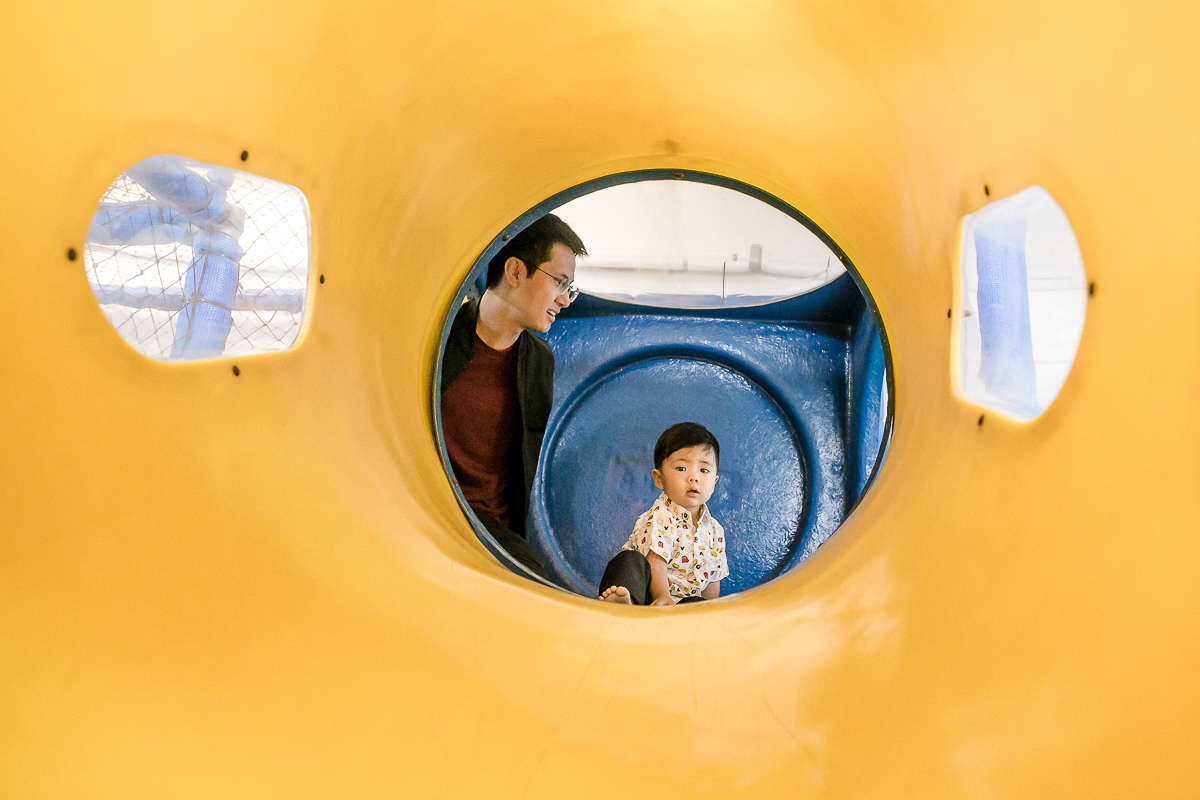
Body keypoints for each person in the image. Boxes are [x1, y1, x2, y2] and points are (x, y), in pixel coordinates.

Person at [440, 214, 586, 579]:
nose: (565, 300)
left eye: (570, 288)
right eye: (560, 282)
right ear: (516, 271)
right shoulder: (439, 338)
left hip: (491, 532)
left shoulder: (538, 360)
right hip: (429, 513)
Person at [598, 422, 730, 605]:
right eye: (681, 468)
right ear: (659, 479)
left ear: (715, 482)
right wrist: (662, 597)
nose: (694, 477)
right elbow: (656, 562)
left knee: (696, 603)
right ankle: (624, 603)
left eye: (704, 470)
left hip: (679, 609)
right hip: (648, 598)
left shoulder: (715, 531)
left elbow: (713, 580)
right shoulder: (661, 515)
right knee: (629, 561)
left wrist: (709, 610)